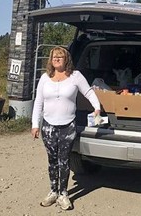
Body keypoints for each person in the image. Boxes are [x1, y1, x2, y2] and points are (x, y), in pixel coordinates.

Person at [31, 46, 101, 210]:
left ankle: (63, 194)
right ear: (51, 60)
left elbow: (89, 92)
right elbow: (39, 103)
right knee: (52, 160)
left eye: (60, 57)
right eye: (54, 57)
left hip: (67, 126)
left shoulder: (75, 76)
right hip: (48, 126)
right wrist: (35, 124)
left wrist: (96, 107)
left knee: (64, 160)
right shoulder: (45, 78)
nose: (57, 59)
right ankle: (53, 191)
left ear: (67, 59)